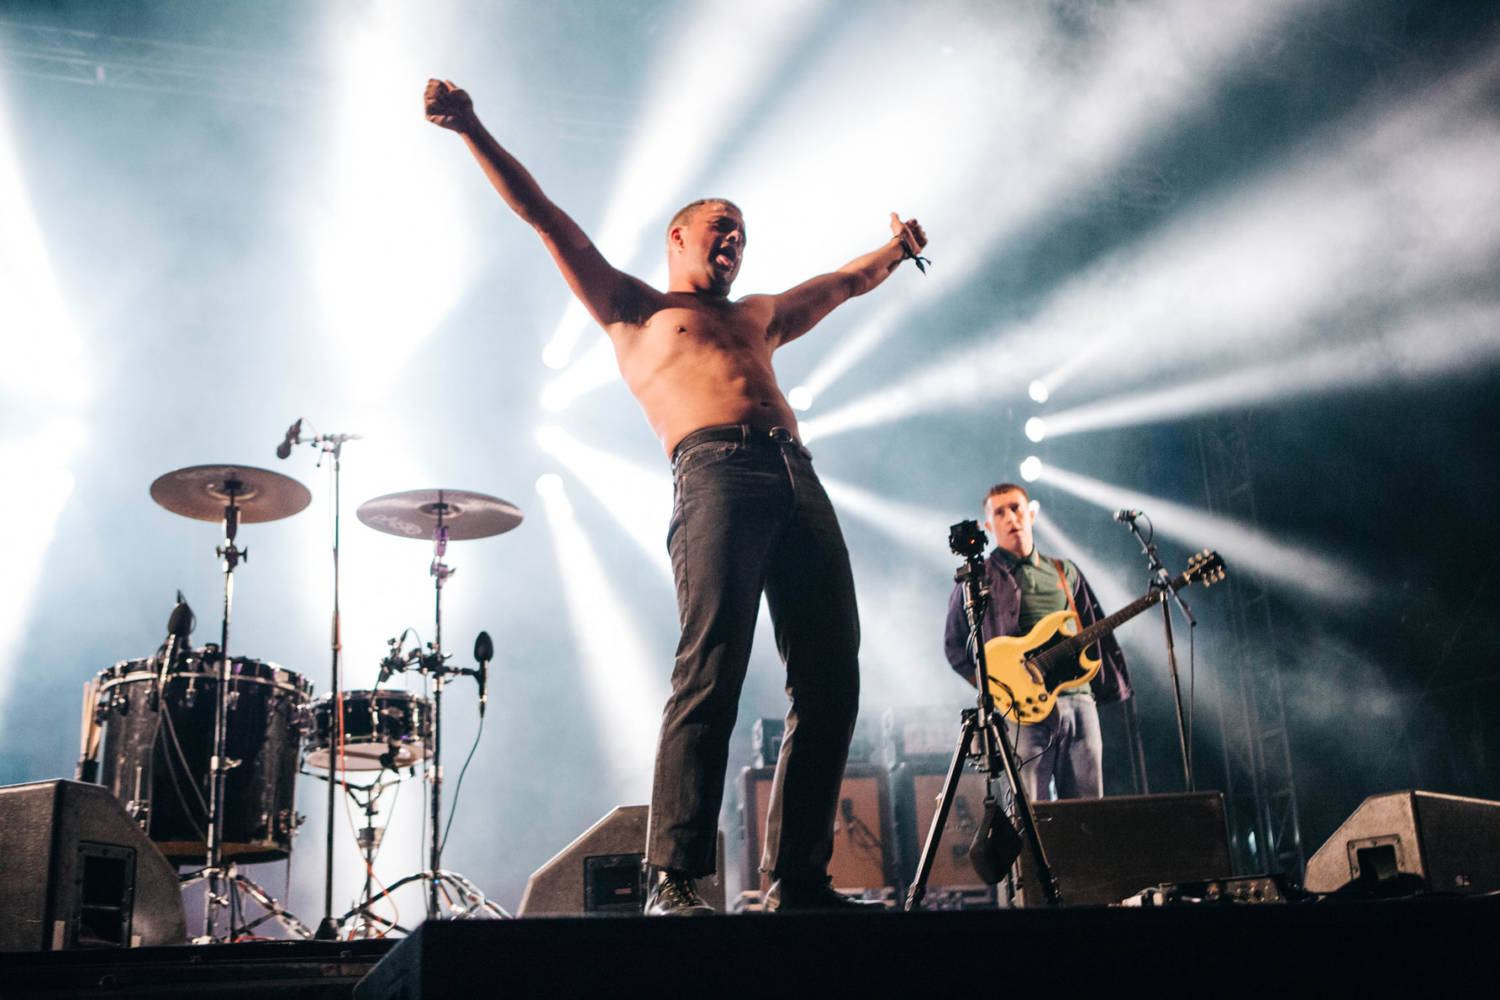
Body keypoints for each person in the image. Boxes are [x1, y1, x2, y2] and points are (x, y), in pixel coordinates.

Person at [425, 79, 928, 914]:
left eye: (742, 234)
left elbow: (838, 285)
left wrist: (893, 252)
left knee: (833, 673)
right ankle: (673, 876)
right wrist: (471, 126)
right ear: (680, 236)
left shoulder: (759, 314)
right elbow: (544, 216)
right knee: (713, 667)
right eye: (720, 228)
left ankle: (798, 877)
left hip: (796, 475)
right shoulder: (636, 307)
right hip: (715, 471)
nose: (733, 241)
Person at [942, 483, 1131, 801]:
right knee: (1029, 816)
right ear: (989, 525)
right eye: (999, 512)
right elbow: (954, 645)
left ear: (1030, 513)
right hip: (1021, 711)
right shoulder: (978, 578)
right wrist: (996, 689)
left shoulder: (1064, 571)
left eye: (1015, 508)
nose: (1009, 517)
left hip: (1078, 698)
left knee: (1089, 815)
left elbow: (1092, 628)